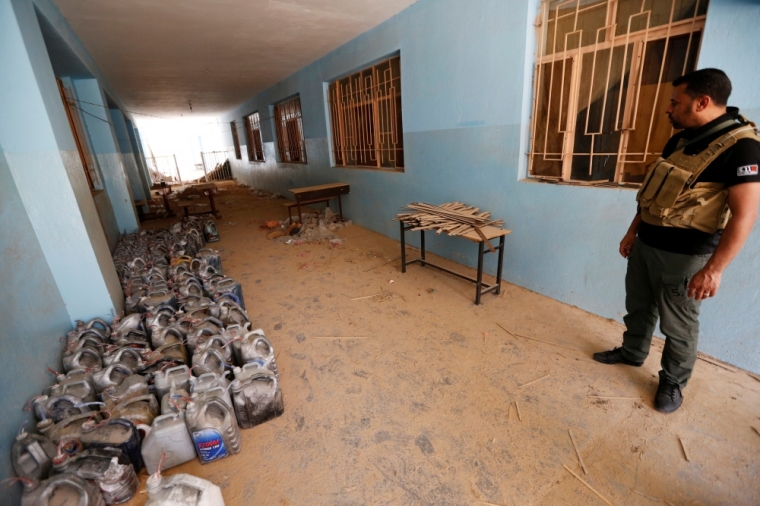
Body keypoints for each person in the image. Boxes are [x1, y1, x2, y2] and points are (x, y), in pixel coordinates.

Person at [593, 68, 760, 413]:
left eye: (675, 102)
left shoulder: (742, 148)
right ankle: (633, 352)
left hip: (686, 258)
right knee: (638, 306)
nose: (668, 109)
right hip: (647, 245)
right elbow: (654, 195)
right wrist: (632, 231)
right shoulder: (682, 139)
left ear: (702, 102)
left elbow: (745, 216)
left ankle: (672, 382)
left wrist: (714, 270)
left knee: (678, 325)